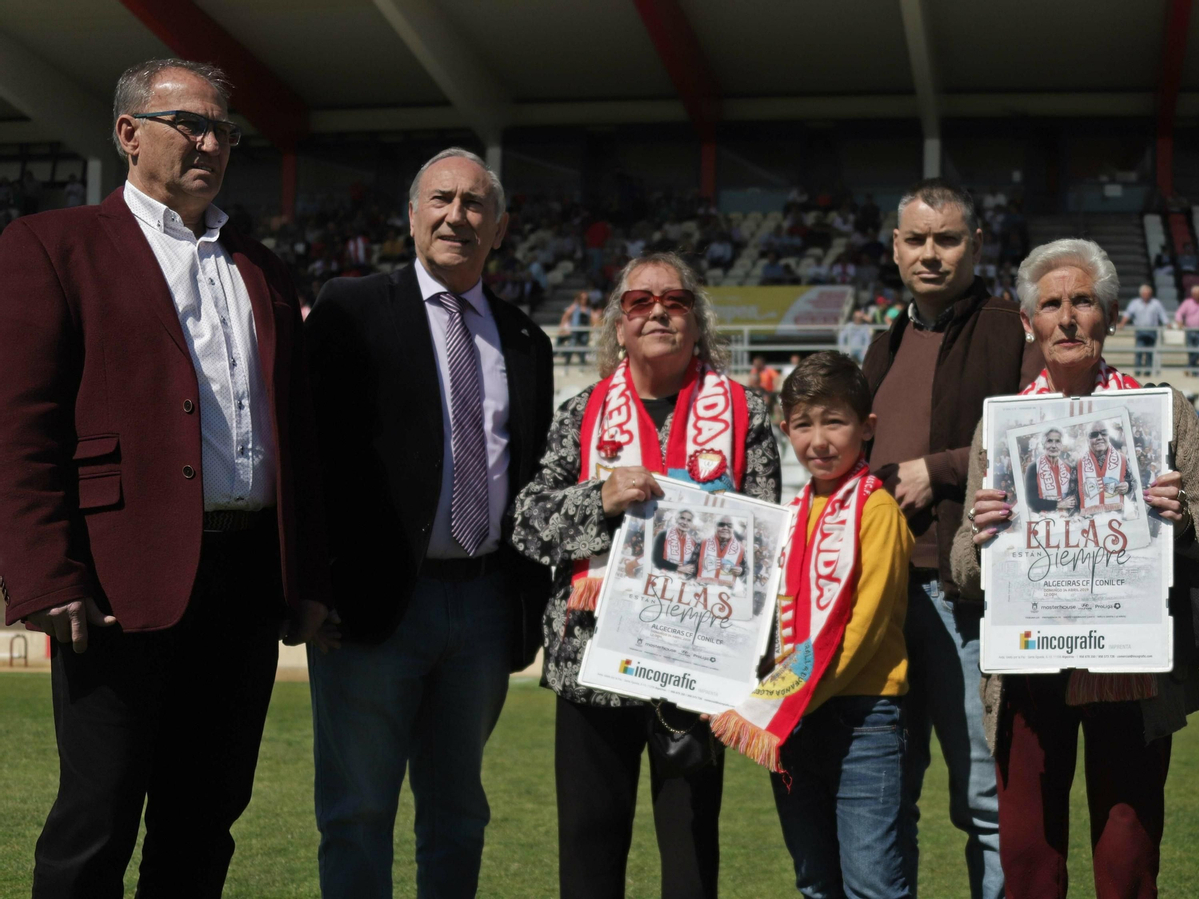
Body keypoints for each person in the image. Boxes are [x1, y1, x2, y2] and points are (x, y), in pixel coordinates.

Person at [0, 57, 333, 897]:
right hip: (116, 582)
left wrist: (305, 578)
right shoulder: (52, 244)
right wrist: (45, 571)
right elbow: (19, 428)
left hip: (245, 583)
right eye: (190, 122)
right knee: (97, 818)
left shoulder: (261, 267)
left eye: (224, 128)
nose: (211, 141)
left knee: (204, 819)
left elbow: (297, 435)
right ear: (127, 133)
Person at [951, 237, 1199, 898]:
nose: (1066, 317)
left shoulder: (1160, 411)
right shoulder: (1000, 428)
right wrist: (981, 535)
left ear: (1110, 316)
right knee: (1029, 871)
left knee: (1128, 869)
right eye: (1051, 304)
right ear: (1030, 323)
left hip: (1134, 671)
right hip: (1027, 677)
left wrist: (1184, 521)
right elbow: (961, 568)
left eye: (1082, 301)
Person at [303, 147, 554, 897]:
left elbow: (535, 475)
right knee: (357, 812)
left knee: (457, 815)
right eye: (440, 199)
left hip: (482, 606)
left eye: (475, 204)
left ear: (500, 226)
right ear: (411, 216)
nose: (457, 215)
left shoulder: (524, 340)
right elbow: (310, 455)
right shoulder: (351, 307)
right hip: (373, 607)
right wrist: (312, 584)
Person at [510, 251, 781, 899]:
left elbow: (769, 544)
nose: (658, 310)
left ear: (696, 320)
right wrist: (597, 500)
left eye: (675, 299)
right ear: (620, 327)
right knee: (589, 853)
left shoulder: (744, 414)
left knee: (690, 864)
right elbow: (528, 521)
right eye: (639, 301)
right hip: (591, 663)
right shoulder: (582, 414)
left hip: (697, 670)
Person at [861, 177, 1043, 899]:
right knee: (882, 796)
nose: (930, 253)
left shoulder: (1008, 328)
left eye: (947, 238)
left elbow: (1036, 437)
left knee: (986, 799)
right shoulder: (885, 338)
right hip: (879, 599)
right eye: (916, 239)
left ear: (975, 245)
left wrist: (935, 470)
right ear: (895, 247)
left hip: (963, 597)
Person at [714, 351, 915, 898]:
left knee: (873, 883)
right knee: (815, 881)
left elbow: (866, 628)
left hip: (863, 717)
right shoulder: (791, 514)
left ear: (866, 427)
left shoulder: (877, 512)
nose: (819, 440)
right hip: (798, 719)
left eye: (835, 421)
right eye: (804, 423)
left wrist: (783, 699)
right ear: (785, 431)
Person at [1074, 420, 1135, 514]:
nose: (1099, 437)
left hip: (1117, 516)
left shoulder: (1123, 459)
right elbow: (1073, 494)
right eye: (1094, 434)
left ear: (1108, 436)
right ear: (1087, 439)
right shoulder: (1078, 463)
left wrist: (1128, 486)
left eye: (1104, 433)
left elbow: (1135, 483)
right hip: (1089, 518)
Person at [1023, 428, 1078, 515]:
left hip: (1067, 518)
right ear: (1043, 444)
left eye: (1057, 441)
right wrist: (1059, 504)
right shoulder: (1033, 468)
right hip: (1043, 519)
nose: (1053, 445)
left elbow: (1074, 498)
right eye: (1049, 441)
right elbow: (1031, 501)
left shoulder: (1069, 467)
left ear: (1062, 445)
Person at [1118, 283, 1167, 376]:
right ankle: (1137, 372)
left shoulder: (1156, 303)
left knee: (1149, 353)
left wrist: (1167, 324)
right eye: (1145, 293)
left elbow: (1162, 315)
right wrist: (1122, 323)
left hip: (1152, 332)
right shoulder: (1135, 303)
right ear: (1141, 294)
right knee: (1139, 352)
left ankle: (1147, 373)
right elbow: (1128, 314)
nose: (1146, 295)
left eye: (1148, 293)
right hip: (1140, 331)